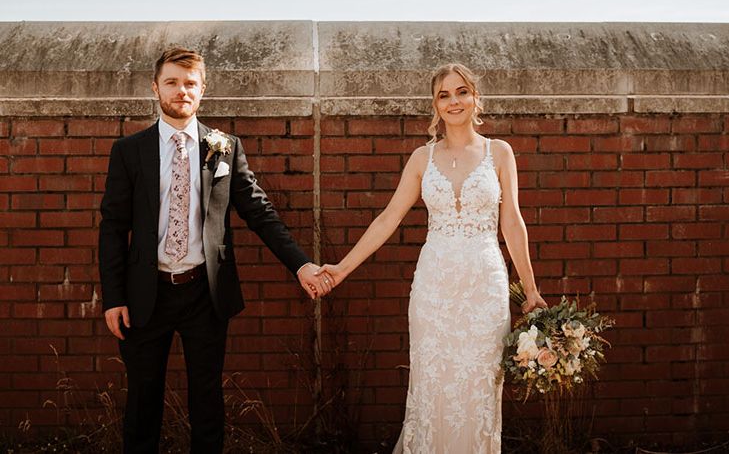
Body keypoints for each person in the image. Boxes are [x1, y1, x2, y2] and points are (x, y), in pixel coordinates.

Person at [98, 47, 332, 453]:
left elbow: (259, 211)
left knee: (206, 403)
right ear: (156, 88)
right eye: (172, 82)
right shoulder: (129, 151)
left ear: (203, 89)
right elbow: (114, 228)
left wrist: (301, 265)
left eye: (190, 83)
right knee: (142, 404)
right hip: (144, 293)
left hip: (204, 293)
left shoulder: (223, 147)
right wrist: (114, 297)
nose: (181, 91)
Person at [316, 63, 547, 453]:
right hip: (434, 288)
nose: (454, 101)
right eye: (444, 95)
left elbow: (513, 223)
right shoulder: (422, 159)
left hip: (483, 287)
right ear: (435, 105)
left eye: (461, 92)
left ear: (476, 98)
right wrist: (341, 269)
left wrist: (531, 291)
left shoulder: (500, 154)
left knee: (479, 387)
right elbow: (388, 217)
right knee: (432, 384)